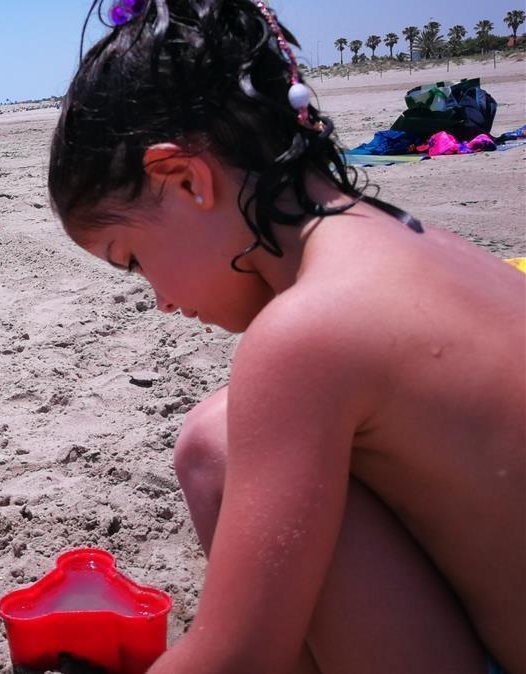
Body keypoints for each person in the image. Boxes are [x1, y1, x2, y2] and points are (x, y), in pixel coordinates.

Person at [48, 1, 524, 672]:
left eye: (132, 259)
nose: (157, 299)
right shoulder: (422, 245)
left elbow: (239, 657)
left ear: (186, 178)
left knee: (218, 449)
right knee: (227, 433)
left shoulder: (305, 334)